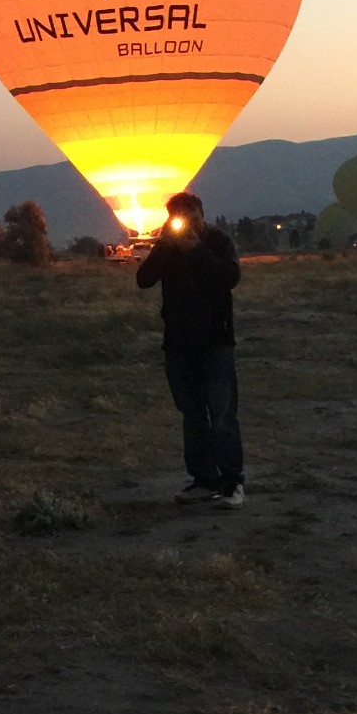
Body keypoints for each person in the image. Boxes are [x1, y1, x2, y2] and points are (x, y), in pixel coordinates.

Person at [135, 191, 245, 508]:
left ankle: (232, 482)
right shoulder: (167, 246)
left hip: (216, 343)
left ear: (202, 213)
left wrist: (195, 250)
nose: (188, 223)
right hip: (180, 344)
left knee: (222, 414)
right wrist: (165, 247)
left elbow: (229, 277)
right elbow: (144, 279)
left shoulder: (218, 242)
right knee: (193, 416)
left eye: (192, 216)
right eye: (180, 218)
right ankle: (203, 479)